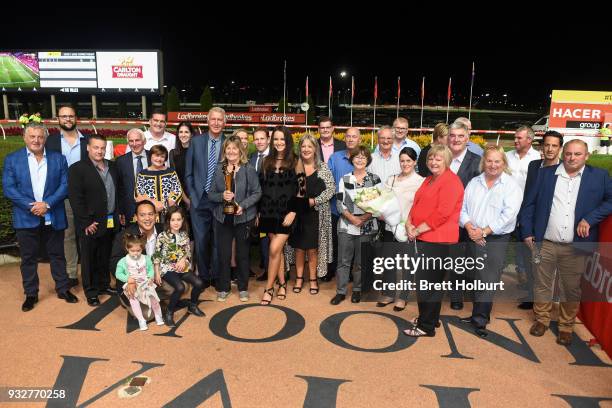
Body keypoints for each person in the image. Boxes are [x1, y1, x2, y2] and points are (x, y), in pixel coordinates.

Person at [520, 140, 612, 345]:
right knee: (542, 284)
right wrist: (527, 232)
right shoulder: (545, 174)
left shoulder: (599, 177)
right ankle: (542, 320)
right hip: (545, 242)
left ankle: (565, 326)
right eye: (568, 153)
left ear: (586, 156)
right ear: (563, 153)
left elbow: (610, 200)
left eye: (577, 154)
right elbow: (529, 204)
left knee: (570, 288)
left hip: (576, 245)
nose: (572, 158)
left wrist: (590, 218)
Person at [3, 123, 78, 311]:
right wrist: (33, 206)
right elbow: (9, 188)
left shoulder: (58, 159)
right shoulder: (13, 159)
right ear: (24, 138)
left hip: (53, 214)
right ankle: (31, 294)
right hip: (25, 216)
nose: (36, 140)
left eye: (40, 137)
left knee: (58, 255)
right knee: (28, 258)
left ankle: (62, 288)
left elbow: (65, 185)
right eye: (32, 136)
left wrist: (47, 204)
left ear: (45, 139)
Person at [459, 146, 522, 337]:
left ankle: (480, 321)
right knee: (475, 277)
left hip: (495, 239)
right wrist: (469, 227)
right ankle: (478, 314)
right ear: (483, 162)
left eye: (497, 161)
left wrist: (484, 232)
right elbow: (462, 208)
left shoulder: (511, 186)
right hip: (472, 235)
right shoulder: (473, 183)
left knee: (488, 280)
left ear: (504, 163)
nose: (493, 165)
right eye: (489, 161)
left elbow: (509, 216)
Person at [403, 145, 464, 337]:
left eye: (438, 159)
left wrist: (417, 229)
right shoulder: (429, 179)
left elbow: (442, 214)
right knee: (429, 283)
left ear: (446, 160)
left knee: (427, 283)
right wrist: (409, 223)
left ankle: (425, 326)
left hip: (439, 241)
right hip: (423, 237)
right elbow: (417, 204)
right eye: (431, 158)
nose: (433, 162)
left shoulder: (451, 182)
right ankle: (429, 318)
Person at [68, 134, 119, 306]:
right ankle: (91, 291)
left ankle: (104, 284)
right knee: (89, 258)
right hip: (91, 223)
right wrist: (85, 222)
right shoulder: (77, 169)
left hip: (110, 220)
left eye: (102, 148)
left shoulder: (112, 166)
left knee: (105, 255)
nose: (99, 151)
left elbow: (115, 192)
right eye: (96, 147)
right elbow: (76, 198)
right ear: (88, 148)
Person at [209, 136, 262, 302]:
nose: (231, 151)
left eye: (234, 148)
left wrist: (243, 206)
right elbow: (210, 194)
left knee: (242, 255)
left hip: (243, 218)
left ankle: (243, 287)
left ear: (240, 151)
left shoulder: (248, 169)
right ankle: (224, 287)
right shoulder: (219, 169)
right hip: (222, 218)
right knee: (224, 254)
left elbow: (257, 192)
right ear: (225, 151)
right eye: (228, 148)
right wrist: (221, 196)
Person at [517, 130, 563, 310]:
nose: (550, 149)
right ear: (541, 146)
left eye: (554, 145)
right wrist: (526, 228)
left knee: (547, 266)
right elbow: (529, 197)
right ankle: (532, 295)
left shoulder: (564, 169)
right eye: (547, 145)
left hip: (552, 225)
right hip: (531, 222)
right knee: (530, 262)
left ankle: (546, 300)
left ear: (560, 148)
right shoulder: (534, 166)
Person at [331, 146, 381, 305]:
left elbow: (378, 203)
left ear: (368, 160)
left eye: (363, 157)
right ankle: (341, 291)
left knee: (360, 262)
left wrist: (364, 218)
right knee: (343, 261)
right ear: (352, 159)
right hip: (347, 225)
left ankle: (357, 290)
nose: (360, 160)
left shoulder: (374, 179)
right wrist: (352, 218)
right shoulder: (344, 179)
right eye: (357, 157)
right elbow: (339, 202)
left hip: (367, 225)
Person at [376, 147, 424, 311]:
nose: (405, 164)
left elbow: (420, 208)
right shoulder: (392, 179)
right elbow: (383, 201)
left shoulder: (420, 181)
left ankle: (403, 297)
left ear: (415, 162)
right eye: (402, 160)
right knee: (389, 263)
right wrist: (381, 212)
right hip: (390, 228)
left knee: (406, 265)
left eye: (408, 161)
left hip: (408, 229)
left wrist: (411, 225)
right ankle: (389, 294)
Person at [46, 105, 88, 288]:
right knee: (68, 237)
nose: (68, 119)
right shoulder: (50, 142)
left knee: (87, 236)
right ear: (58, 119)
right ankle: (71, 274)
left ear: (76, 118)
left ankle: (89, 273)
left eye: (71, 116)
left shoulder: (87, 141)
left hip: (85, 197)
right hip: (62, 197)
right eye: (64, 116)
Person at [288, 134, 335, 295]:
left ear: (315, 149)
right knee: (299, 248)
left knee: (313, 249)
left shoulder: (323, 167)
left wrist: (315, 201)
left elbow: (331, 189)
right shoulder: (294, 166)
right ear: (299, 149)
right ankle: (299, 278)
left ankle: (313, 279)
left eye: (310, 146)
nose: (306, 149)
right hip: (297, 216)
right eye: (303, 146)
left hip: (316, 215)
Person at [258, 126, 299, 305]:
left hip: (286, 214)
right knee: (278, 252)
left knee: (273, 249)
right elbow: (262, 188)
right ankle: (282, 283)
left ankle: (269, 288)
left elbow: (302, 190)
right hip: (267, 212)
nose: (279, 142)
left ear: (288, 141)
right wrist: (259, 212)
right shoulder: (266, 161)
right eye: (276, 139)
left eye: (282, 139)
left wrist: (293, 212)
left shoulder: (296, 161)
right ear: (271, 141)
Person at [185, 106, 226, 288]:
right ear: (207, 121)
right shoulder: (196, 142)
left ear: (225, 123)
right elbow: (188, 173)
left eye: (220, 120)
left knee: (218, 241)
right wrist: (194, 196)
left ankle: (217, 277)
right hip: (199, 199)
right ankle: (203, 276)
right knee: (201, 241)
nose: (216, 123)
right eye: (213, 119)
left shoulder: (228, 143)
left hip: (220, 200)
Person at [447, 120, 481, 310]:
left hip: (467, 220)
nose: (456, 139)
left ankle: (471, 292)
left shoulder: (477, 161)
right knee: (452, 259)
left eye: (461, 136)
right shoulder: (441, 158)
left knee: (468, 259)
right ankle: (455, 295)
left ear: (467, 139)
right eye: (453, 136)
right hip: (444, 221)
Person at [507, 126, 542, 311]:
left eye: (519, 138)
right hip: (506, 209)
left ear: (530, 140)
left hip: (527, 211)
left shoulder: (538, 159)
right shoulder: (507, 156)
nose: (516, 140)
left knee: (526, 251)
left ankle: (531, 292)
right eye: (515, 137)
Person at [152, 206, 204, 327]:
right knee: (179, 287)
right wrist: (157, 272)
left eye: (178, 219)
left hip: (182, 268)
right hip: (167, 269)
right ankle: (169, 312)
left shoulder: (185, 235)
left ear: (183, 220)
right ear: (168, 221)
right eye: (172, 220)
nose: (176, 223)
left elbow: (187, 252)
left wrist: (183, 260)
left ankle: (193, 305)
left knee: (199, 283)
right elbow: (157, 255)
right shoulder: (162, 236)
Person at [324, 127, 362, 282]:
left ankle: (350, 272)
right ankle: (331, 270)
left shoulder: (363, 158)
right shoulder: (335, 157)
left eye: (354, 137)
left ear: (359, 140)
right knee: (334, 241)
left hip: (356, 210)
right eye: (348, 136)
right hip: (335, 208)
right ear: (344, 139)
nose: (351, 139)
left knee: (352, 243)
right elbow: (328, 180)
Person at [115, 233, 164, 331]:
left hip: (146, 283)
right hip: (132, 284)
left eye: (138, 250)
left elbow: (150, 269)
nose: (136, 253)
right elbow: (118, 274)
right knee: (134, 301)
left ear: (142, 248)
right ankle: (141, 320)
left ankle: (158, 315)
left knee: (153, 299)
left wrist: (150, 277)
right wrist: (127, 279)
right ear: (127, 248)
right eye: (132, 251)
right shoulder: (123, 261)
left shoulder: (146, 258)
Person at [135, 145, 183, 221]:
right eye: (156, 155)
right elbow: (139, 193)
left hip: (169, 214)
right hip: (149, 214)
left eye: (162, 156)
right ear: (150, 156)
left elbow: (177, 191)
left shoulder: (171, 172)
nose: (159, 159)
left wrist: (164, 205)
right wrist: (153, 204)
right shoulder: (142, 174)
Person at [249, 127, 271, 281]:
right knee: (264, 241)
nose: (259, 142)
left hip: (273, 207)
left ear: (268, 139)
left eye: (262, 138)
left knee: (273, 241)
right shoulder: (251, 158)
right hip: (256, 207)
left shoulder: (275, 157)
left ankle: (275, 271)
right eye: (256, 139)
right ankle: (267, 269)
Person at [116, 128, 151, 225]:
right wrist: (121, 211)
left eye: (137, 140)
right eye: (131, 141)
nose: (134, 144)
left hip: (152, 209)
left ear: (144, 141)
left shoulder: (154, 158)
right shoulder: (121, 162)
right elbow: (119, 189)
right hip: (129, 211)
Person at [169, 121, 195, 210]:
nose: (183, 135)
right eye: (181, 132)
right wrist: (186, 199)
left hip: (196, 196)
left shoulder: (197, 152)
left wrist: (193, 198)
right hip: (179, 196)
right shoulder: (173, 153)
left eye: (186, 132)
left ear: (191, 134)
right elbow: (175, 179)